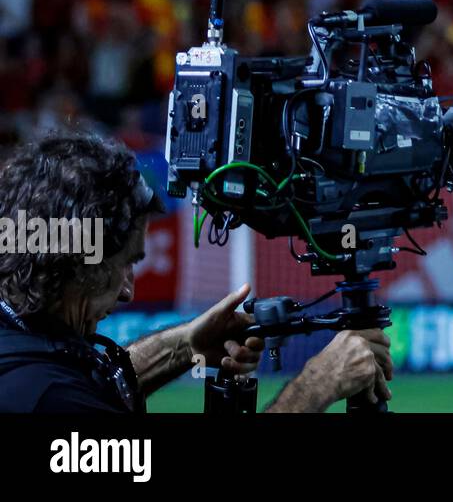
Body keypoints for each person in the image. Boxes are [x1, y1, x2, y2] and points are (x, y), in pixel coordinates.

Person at [0, 131, 394, 413]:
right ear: (73, 266)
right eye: (125, 265)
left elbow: (86, 378)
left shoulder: (20, 334)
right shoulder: (47, 397)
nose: (127, 292)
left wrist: (186, 346)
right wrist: (315, 388)